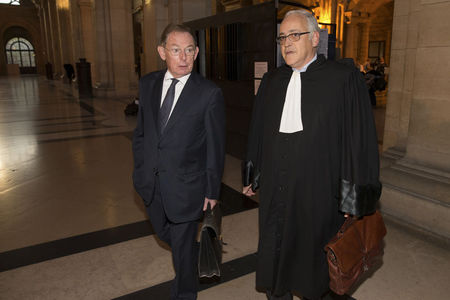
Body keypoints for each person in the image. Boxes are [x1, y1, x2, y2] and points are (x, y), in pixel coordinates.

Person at [242, 10, 381, 300]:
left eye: (295, 35)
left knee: (313, 260)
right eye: (282, 37)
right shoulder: (272, 80)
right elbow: (257, 131)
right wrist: (252, 175)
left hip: (320, 190)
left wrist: (353, 195)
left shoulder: (343, 79)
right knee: (275, 248)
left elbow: (358, 140)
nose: (287, 43)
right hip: (276, 188)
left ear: (315, 38)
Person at [132, 24, 226, 300]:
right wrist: (139, 170)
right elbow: (141, 133)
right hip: (150, 182)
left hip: (188, 186)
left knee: (181, 252)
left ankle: (185, 292)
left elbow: (215, 147)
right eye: (176, 50)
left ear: (196, 53)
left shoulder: (209, 93)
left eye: (188, 50)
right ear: (162, 52)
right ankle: (193, 253)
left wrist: (211, 191)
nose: (183, 57)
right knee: (164, 232)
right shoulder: (148, 84)